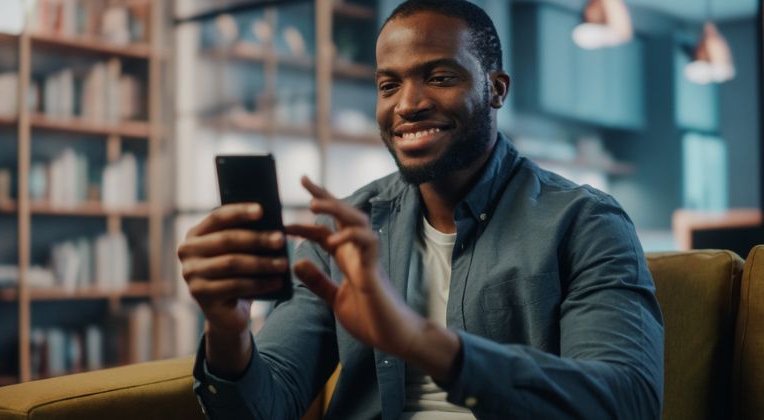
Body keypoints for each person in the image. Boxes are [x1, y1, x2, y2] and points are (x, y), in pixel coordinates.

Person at [177, 0, 664, 418]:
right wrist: (228, 329)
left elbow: (628, 402)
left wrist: (420, 341)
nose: (407, 103)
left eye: (439, 77)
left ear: (496, 89)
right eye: (388, 85)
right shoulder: (342, 232)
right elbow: (269, 404)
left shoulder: (585, 223)